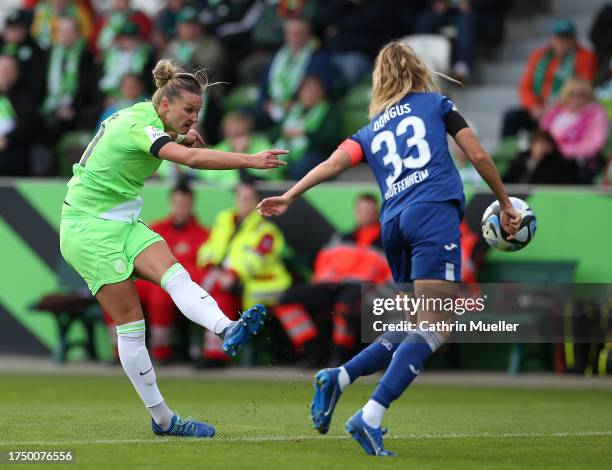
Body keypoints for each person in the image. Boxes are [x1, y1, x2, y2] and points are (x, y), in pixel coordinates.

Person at [258, 40, 521, 456]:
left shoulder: (371, 127)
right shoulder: (437, 105)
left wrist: (290, 194)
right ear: (419, 69)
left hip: (393, 224)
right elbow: (478, 154)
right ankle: (371, 414)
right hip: (432, 214)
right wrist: (505, 202)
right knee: (438, 326)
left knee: (419, 322)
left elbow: (331, 163)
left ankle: (339, 376)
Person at [59, 59, 287, 438]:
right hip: (89, 229)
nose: (194, 119)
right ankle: (164, 420)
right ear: (164, 105)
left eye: (198, 112)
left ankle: (227, 328)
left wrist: (178, 136)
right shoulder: (137, 125)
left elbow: (159, 146)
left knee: (174, 273)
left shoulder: (142, 117)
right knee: (132, 327)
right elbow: (192, 160)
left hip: (122, 221)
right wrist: (250, 160)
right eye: (188, 111)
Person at [196, 183, 292, 367]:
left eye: (248, 198)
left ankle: (215, 355)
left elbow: (254, 262)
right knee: (204, 290)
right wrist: (213, 268)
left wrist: (231, 274)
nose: (242, 202)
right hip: (223, 278)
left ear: (258, 202)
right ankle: (208, 350)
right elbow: (209, 248)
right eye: (239, 197)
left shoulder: (266, 231)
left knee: (216, 292)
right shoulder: (225, 220)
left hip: (259, 286)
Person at [501, 18, 596, 138]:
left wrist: (556, 107)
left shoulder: (584, 57)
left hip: (566, 110)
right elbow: (525, 87)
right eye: (559, 37)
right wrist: (533, 107)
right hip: (539, 110)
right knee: (512, 116)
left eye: (566, 38)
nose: (562, 42)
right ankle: (507, 152)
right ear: (552, 39)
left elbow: (582, 87)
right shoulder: (539, 56)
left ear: (573, 40)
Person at [539, 78, 608, 184]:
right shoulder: (555, 111)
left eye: (582, 94)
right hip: (550, 157)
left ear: (589, 96)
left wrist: (562, 151)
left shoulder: (595, 113)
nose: (577, 98)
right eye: (572, 94)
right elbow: (542, 135)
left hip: (577, 162)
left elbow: (594, 144)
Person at [503, 129, 575, 185]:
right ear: (531, 145)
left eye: (546, 143)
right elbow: (506, 181)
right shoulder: (519, 161)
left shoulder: (560, 165)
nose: (542, 147)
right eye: (539, 143)